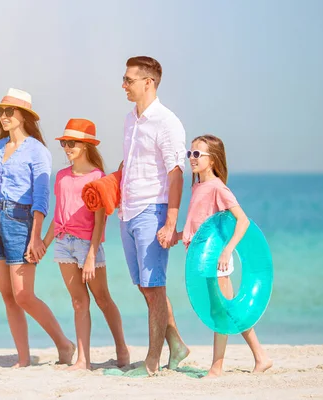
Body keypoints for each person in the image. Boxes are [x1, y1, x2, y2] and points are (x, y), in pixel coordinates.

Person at [0, 88, 75, 368]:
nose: (2, 116)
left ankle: (64, 343)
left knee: (23, 294)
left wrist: (36, 236)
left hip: (20, 221)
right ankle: (23, 358)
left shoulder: (38, 151)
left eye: (8, 111)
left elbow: (41, 197)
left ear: (24, 116)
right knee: (7, 295)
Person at [175, 134, 273, 378]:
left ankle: (217, 367)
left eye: (198, 154)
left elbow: (243, 220)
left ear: (213, 159)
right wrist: (176, 236)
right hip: (202, 260)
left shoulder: (218, 188)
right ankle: (261, 357)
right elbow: (199, 228)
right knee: (229, 310)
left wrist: (228, 250)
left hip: (217, 260)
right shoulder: (198, 186)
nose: (192, 158)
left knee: (222, 312)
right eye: (190, 153)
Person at [38, 118, 130, 370]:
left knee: (102, 298)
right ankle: (83, 359)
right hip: (63, 243)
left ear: (86, 145)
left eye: (72, 143)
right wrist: (44, 244)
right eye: (64, 143)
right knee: (79, 302)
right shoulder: (61, 176)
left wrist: (91, 254)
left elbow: (100, 221)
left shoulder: (97, 177)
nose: (67, 147)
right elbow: (58, 215)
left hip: (88, 246)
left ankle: (122, 347)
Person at [118, 56, 190, 375]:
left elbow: (176, 175)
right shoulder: (130, 120)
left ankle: (151, 362)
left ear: (148, 82)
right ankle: (176, 345)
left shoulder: (167, 122)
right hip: (128, 210)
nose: (123, 85)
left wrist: (171, 222)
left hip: (154, 208)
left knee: (155, 285)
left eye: (129, 80)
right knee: (144, 286)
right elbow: (128, 166)